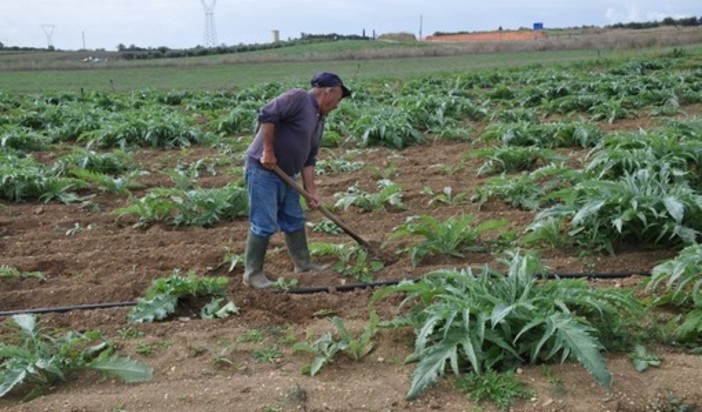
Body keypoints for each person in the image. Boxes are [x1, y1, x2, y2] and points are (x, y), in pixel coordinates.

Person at [242, 72, 352, 289]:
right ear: (327, 92)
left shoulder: (319, 119)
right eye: (338, 99)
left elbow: (309, 158)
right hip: (264, 171)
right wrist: (268, 151)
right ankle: (252, 274)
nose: (337, 105)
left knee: (294, 218)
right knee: (264, 223)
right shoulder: (299, 98)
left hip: (287, 175)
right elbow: (267, 114)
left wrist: (311, 190)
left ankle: (303, 264)